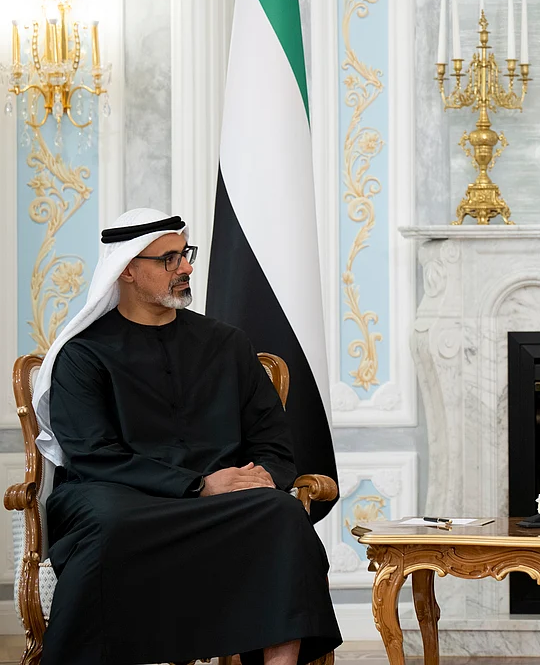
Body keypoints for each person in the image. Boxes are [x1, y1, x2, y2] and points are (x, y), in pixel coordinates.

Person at [32, 208, 341, 665]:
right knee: (110, 523)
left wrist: (259, 478)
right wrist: (198, 485)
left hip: (221, 502)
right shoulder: (84, 354)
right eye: (169, 259)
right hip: (119, 496)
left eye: (185, 254)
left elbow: (272, 442)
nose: (187, 268)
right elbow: (92, 455)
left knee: (281, 512)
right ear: (127, 270)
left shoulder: (228, 344)